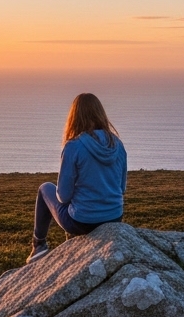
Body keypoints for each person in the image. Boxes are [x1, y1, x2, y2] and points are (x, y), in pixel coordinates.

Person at [30, 93, 127, 262]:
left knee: (45, 188)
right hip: (114, 217)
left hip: (82, 222)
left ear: (75, 116)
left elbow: (63, 196)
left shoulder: (74, 146)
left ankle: (39, 245)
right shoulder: (118, 145)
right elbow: (121, 188)